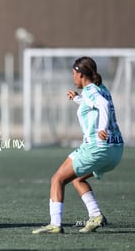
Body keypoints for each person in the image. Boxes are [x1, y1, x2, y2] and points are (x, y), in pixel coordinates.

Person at [32, 56, 124, 234]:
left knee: (57, 179)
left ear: (81, 75)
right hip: (116, 150)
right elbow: (96, 104)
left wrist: (102, 128)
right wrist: (77, 99)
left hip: (97, 148)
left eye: (74, 74)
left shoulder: (90, 90)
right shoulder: (101, 89)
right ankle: (96, 216)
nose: (73, 78)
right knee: (77, 178)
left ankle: (55, 224)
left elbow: (102, 105)